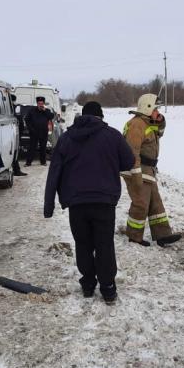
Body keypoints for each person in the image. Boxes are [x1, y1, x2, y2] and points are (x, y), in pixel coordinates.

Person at [44, 101, 134, 303]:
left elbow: (54, 172)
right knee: (104, 244)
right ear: (100, 116)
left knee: (83, 243)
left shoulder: (67, 138)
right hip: (104, 201)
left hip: (76, 203)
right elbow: (128, 161)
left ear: (82, 116)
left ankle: (87, 285)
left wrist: (49, 205)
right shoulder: (112, 136)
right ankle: (108, 288)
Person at [121, 93, 181, 247]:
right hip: (136, 170)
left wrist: (161, 121)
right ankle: (134, 237)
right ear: (147, 107)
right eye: (156, 109)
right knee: (141, 203)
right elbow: (131, 151)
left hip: (147, 170)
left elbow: (159, 133)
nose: (158, 112)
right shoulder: (137, 125)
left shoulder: (147, 123)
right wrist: (136, 174)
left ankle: (162, 235)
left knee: (155, 202)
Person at [24, 96, 54, 166]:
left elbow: (51, 116)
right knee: (32, 147)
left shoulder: (46, 111)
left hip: (43, 132)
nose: (40, 105)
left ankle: (43, 162)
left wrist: (45, 111)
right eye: (39, 103)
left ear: (43, 104)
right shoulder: (32, 110)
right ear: (37, 103)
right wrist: (30, 129)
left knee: (43, 147)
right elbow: (27, 119)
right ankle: (28, 162)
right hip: (34, 132)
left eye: (42, 103)